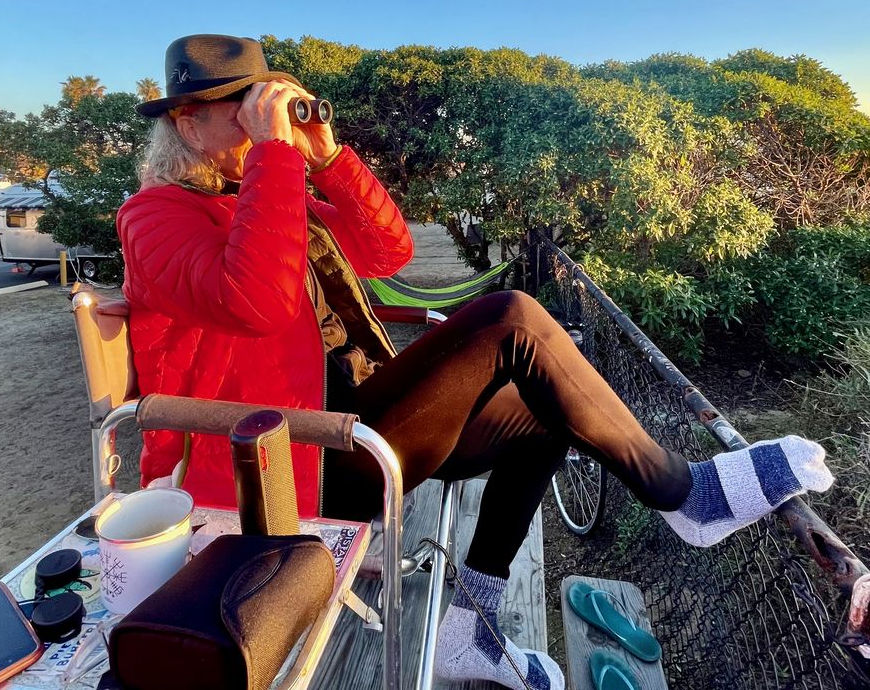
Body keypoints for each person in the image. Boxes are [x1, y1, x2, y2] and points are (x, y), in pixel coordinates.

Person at [117, 35, 834, 690]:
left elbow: (387, 252)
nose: (259, 123)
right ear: (188, 122)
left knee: (542, 418)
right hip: (284, 464)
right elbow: (257, 303)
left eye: (264, 105)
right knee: (511, 318)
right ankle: (685, 494)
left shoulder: (271, 194)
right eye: (243, 108)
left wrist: (327, 156)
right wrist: (276, 156)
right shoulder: (153, 217)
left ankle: (472, 631)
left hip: (356, 424)